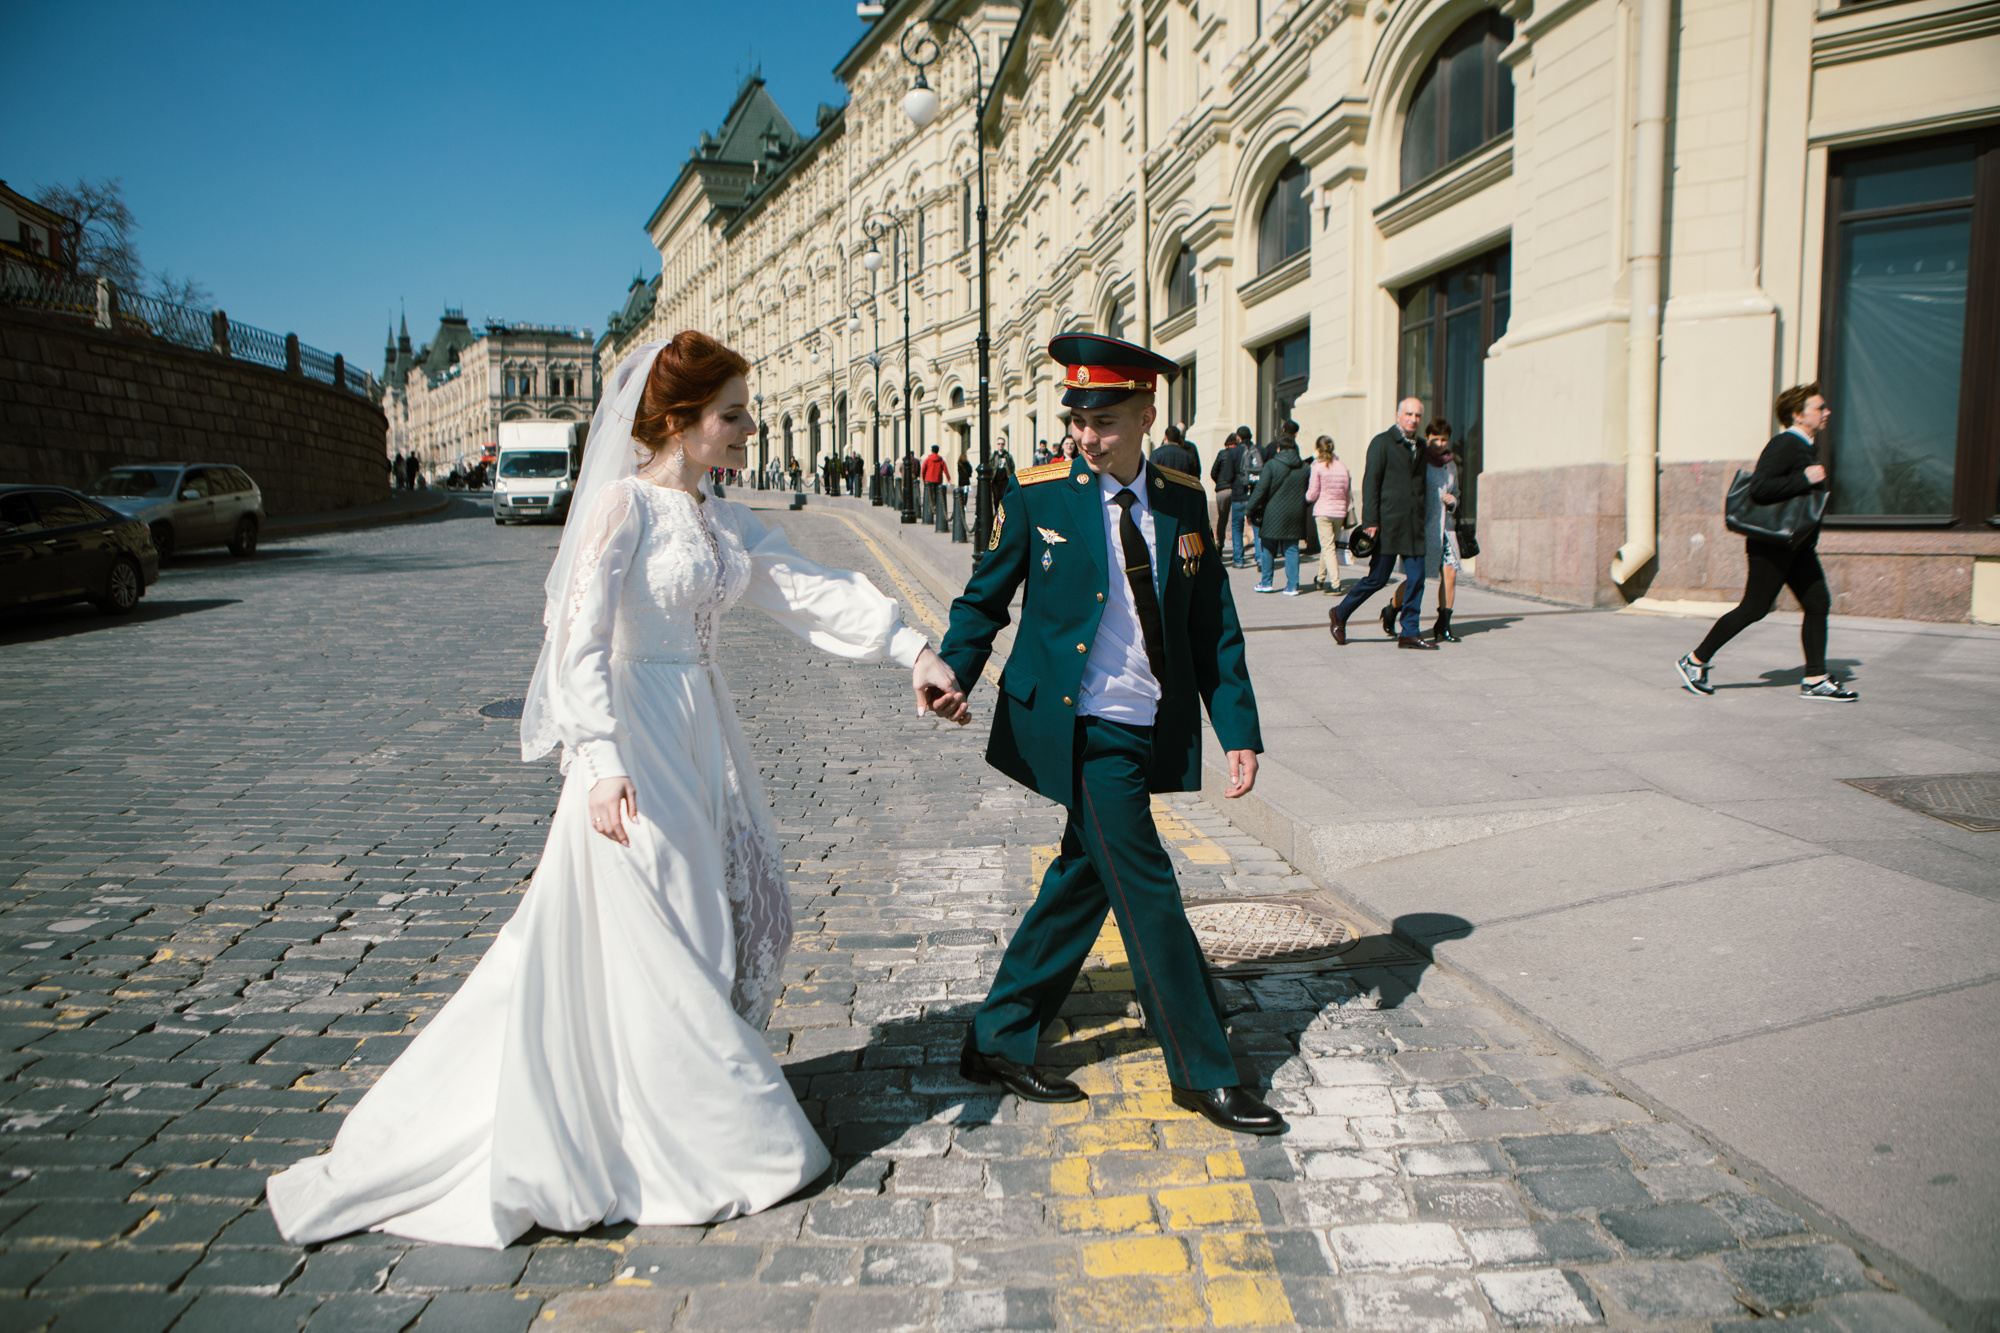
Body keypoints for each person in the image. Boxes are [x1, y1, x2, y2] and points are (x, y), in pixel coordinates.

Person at [265, 331, 963, 1249]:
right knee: (673, 930)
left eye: (746, 411)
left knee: (747, 917)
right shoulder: (621, 509)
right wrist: (597, 759)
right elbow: (578, 639)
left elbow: (802, 586)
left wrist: (908, 646)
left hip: (701, 726)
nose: (749, 428)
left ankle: (665, 1112)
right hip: (635, 738)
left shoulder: (719, 518)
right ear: (680, 420)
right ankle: (693, 1137)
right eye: (733, 414)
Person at [922, 332, 1284, 1138]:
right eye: (1077, 420)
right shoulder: (1040, 492)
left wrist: (1238, 726)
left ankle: (998, 1034)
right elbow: (985, 598)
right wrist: (955, 669)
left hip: (1146, 719)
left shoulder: (1185, 497)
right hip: (1076, 724)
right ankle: (1203, 1067)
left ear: (1148, 412)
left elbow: (1212, 622)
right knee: (1147, 885)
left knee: (1087, 876)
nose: (1086, 437)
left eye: (1106, 421)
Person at [1677, 384, 1854, 701]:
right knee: (1754, 608)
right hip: (1772, 545)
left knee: (1818, 603)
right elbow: (1760, 488)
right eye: (1820, 407)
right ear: (1798, 415)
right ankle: (1694, 661)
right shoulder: (1786, 443)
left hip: (1795, 545)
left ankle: (1814, 678)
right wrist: (1805, 479)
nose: (1827, 412)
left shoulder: (1803, 446)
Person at [1329, 397, 1432, 649]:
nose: (1413, 419)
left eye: (1418, 415)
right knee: (1377, 579)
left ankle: (1409, 631)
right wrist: (1370, 521)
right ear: (1398, 416)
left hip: (1413, 527)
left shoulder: (1421, 446)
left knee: (1417, 578)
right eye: (1408, 414)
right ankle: (1339, 613)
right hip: (1387, 526)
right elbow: (1370, 483)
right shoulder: (1382, 443)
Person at [1382, 419, 1462, 642]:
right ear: (1427, 438)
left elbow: (1456, 491)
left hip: (1446, 530)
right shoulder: (1419, 460)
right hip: (1423, 529)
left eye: (1443, 438)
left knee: (1450, 574)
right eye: (1435, 438)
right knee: (1416, 579)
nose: (1439, 443)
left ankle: (1443, 624)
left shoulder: (1450, 465)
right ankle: (1391, 609)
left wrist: (1452, 500)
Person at [1244, 429, 1310, 595]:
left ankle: (1266, 583)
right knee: (1292, 548)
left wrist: (1249, 509)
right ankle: (1292, 586)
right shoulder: (1304, 467)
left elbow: (1261, 490)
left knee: (1267, 546)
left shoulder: (1272, 465)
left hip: (1273, 512)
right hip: (1296, 512)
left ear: (1279, 448)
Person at [1305, 436, 1351, 594]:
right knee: (1330, 546)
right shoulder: (1343, 467)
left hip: (1323, 511)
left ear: (1318, 449)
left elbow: (1312, 493)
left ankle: (1335, 584)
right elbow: (1347, 492)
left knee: (1328, 547)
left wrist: (1305, 498)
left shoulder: (1317, 466)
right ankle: (1320, 578)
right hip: (1339, 512)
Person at [1210, 430, 1247, 567]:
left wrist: (1220, 483)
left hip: (1222, 491)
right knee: (1237, 521)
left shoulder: (1222, 453)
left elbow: (1213, 471)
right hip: (1237, 489)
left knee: (1222, 518)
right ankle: (1238, 552)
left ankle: (1219, 545)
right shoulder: (1242, 453)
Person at [922, 444, 947, 522]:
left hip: (929, 480)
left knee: (930, 494)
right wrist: (948, 478)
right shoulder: (940, 460)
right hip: (938, 479)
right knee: (937, 494)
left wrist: (924, 479)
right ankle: (936, 507)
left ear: (932, 451)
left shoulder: (928, 459)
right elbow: (945, 469)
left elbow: (923, 469)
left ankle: (931, 508)